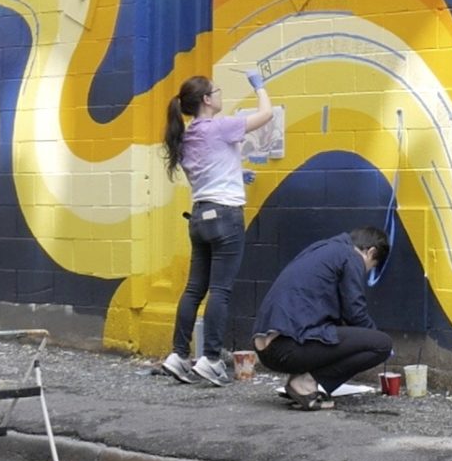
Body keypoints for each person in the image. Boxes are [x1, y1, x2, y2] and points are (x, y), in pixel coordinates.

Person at [161, 70, 274, 387]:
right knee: (220, 290)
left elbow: (212, 170)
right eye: (217, 91)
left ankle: (179, 356)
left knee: (194, 289)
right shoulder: (221, 126)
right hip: (225, 216)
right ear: (207, 100)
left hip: (199, 217)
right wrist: (260, 86)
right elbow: (265, 115)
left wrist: (240, 174)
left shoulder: (185, 137)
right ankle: (210, 360)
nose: (220, 95)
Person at [253, 227, 395, 411]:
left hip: (267, 349)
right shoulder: (351, 257)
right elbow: (355, 313)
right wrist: (379, 341)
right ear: (371, 252)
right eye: (371, 267)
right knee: (382, 344)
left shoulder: (323, 249)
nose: (366, 272)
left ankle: (301, 382)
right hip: (286, 348)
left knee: (346, 333)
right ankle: (305, 383)